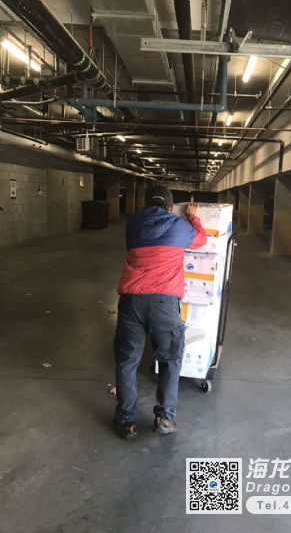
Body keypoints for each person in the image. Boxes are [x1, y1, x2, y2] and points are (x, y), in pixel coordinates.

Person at [113, 185, 206, 439]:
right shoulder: (178, 226)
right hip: (164, 303)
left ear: (146, 204)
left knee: (127, 362)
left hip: (131, 301)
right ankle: (165, 417)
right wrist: (193, 217)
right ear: (170, 207)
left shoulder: (133, 225)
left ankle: (127, 422)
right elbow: (201, 239)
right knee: (169, 360)